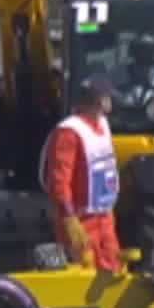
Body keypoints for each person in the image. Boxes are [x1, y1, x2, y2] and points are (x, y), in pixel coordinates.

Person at [39, 75, 123, 273]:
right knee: (85, 273)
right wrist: (69, 219)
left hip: (103, 217)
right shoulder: (69, 132)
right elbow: (59, 181)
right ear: (98, 101)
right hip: (80, 220)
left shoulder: (102, 125)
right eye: (107, 97)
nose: (110, 102)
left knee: (113, 269)